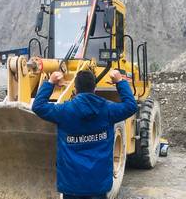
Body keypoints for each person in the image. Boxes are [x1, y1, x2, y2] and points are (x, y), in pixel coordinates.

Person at [32, 70, 138, 199]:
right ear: (95, 88)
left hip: (71, 186)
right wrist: (120, 82)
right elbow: (131, 106)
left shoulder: (64, 111)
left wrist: (50, 83)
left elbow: (38, 106)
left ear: (75, 89)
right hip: (98, 185)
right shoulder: (107, 110)